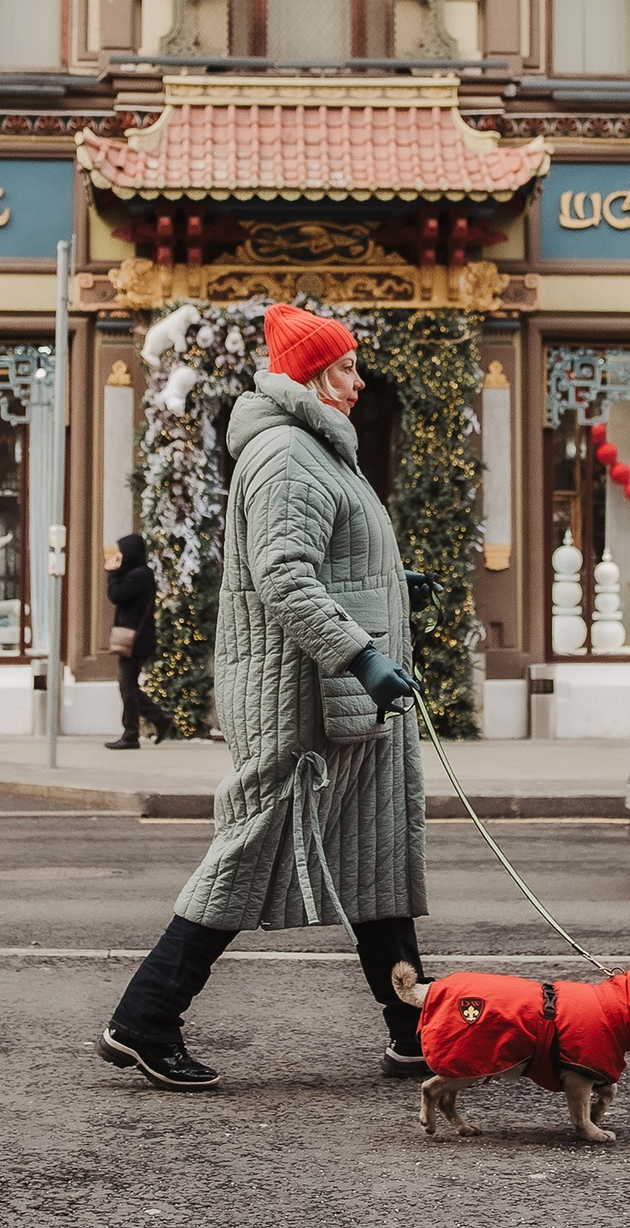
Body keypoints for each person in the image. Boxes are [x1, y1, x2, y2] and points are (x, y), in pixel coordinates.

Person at [98, 303, 436, 1091]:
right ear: (312, 376)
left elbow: (322, 558)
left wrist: (393, 584)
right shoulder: (288, 453)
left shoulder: (317, 448)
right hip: (301, 703)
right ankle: (144, 1019)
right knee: (247, 853)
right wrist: (362, 655)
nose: (359, 380)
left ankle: (414, 1031)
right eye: (346, 368)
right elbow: (284, 578)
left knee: (375, 858)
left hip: (334, 700)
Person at [105, 534, 172, 750]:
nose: (119, 556)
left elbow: (116, 595)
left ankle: (132, 733)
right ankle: (158, 720)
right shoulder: (139, 573)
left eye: (121, 552)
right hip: (136, 638)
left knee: (128, 687)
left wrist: (113, 573)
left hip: (135, 640)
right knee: (128, 686)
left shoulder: (138, 576)